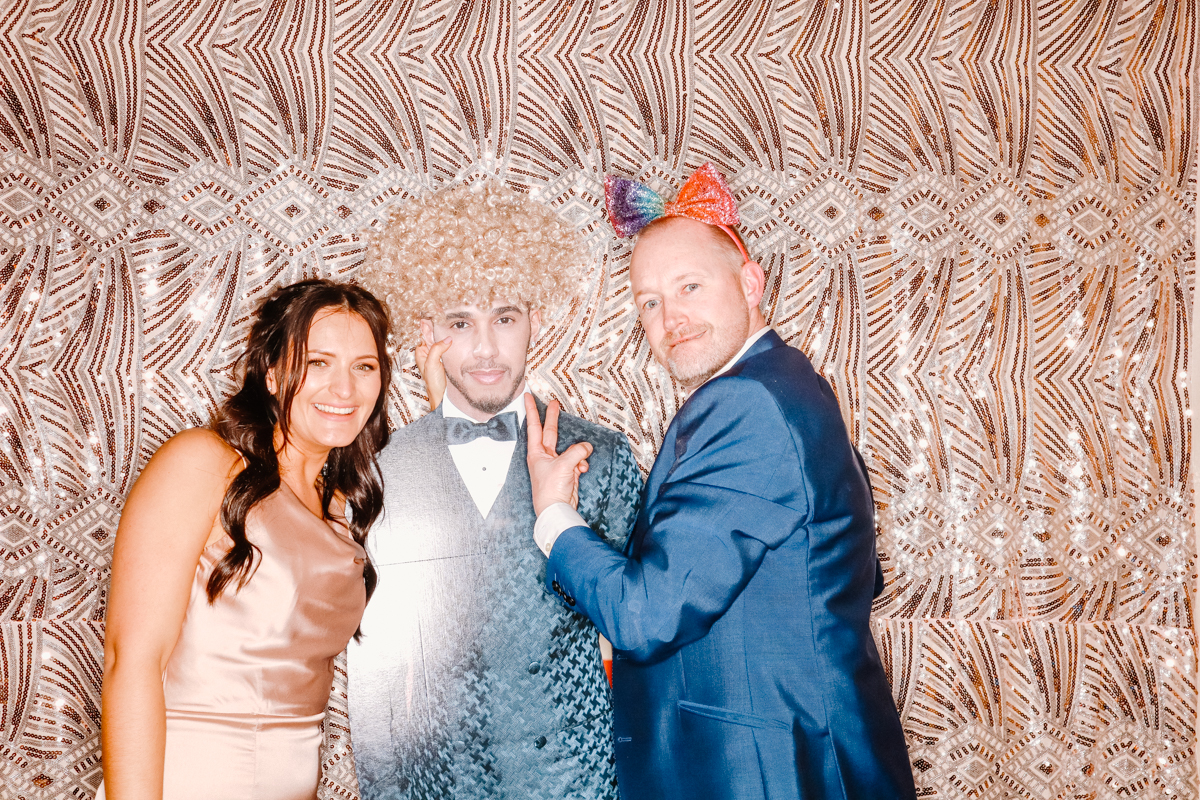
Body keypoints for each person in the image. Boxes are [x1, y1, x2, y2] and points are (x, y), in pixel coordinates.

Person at [525, 164, 918, 800]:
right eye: (650, 302)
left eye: (689, 286)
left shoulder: (747, 404)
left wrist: (554, 515)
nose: (669, 317)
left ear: (750, 282)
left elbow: (647, 614)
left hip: (769, 769)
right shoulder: (790, 385)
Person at [347, 180, 642, 800]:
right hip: (438, 785)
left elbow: (645, 633)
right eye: (461, 321)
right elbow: (375, 672)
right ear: (428, 328)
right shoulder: (383, 470)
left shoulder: (604, 458)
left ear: (535, 318)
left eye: (504, 317)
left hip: (578, 782)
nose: (485, 348)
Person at [99, 279, 392, 800]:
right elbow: (132, 661)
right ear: (274, 373)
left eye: (363, 367)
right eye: (318, 363)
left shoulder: (347, 507)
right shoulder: (203, 463)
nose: (344, 390)